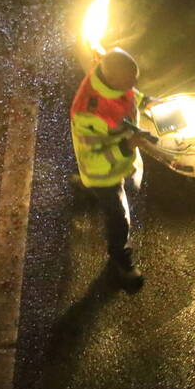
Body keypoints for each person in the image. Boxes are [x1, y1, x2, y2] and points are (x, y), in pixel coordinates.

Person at [69, 49, 154, 291]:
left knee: (130, 188)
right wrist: (126, 147)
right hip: (103, 175)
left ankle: (86, 188)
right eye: (130, 81)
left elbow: (128, 94)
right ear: (114, 80)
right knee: (119, 218)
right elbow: (93, 158)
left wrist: (145, 101)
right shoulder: (88, 112)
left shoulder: (113, 82)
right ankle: (120, 259)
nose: (134, 85)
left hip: (118, 161)